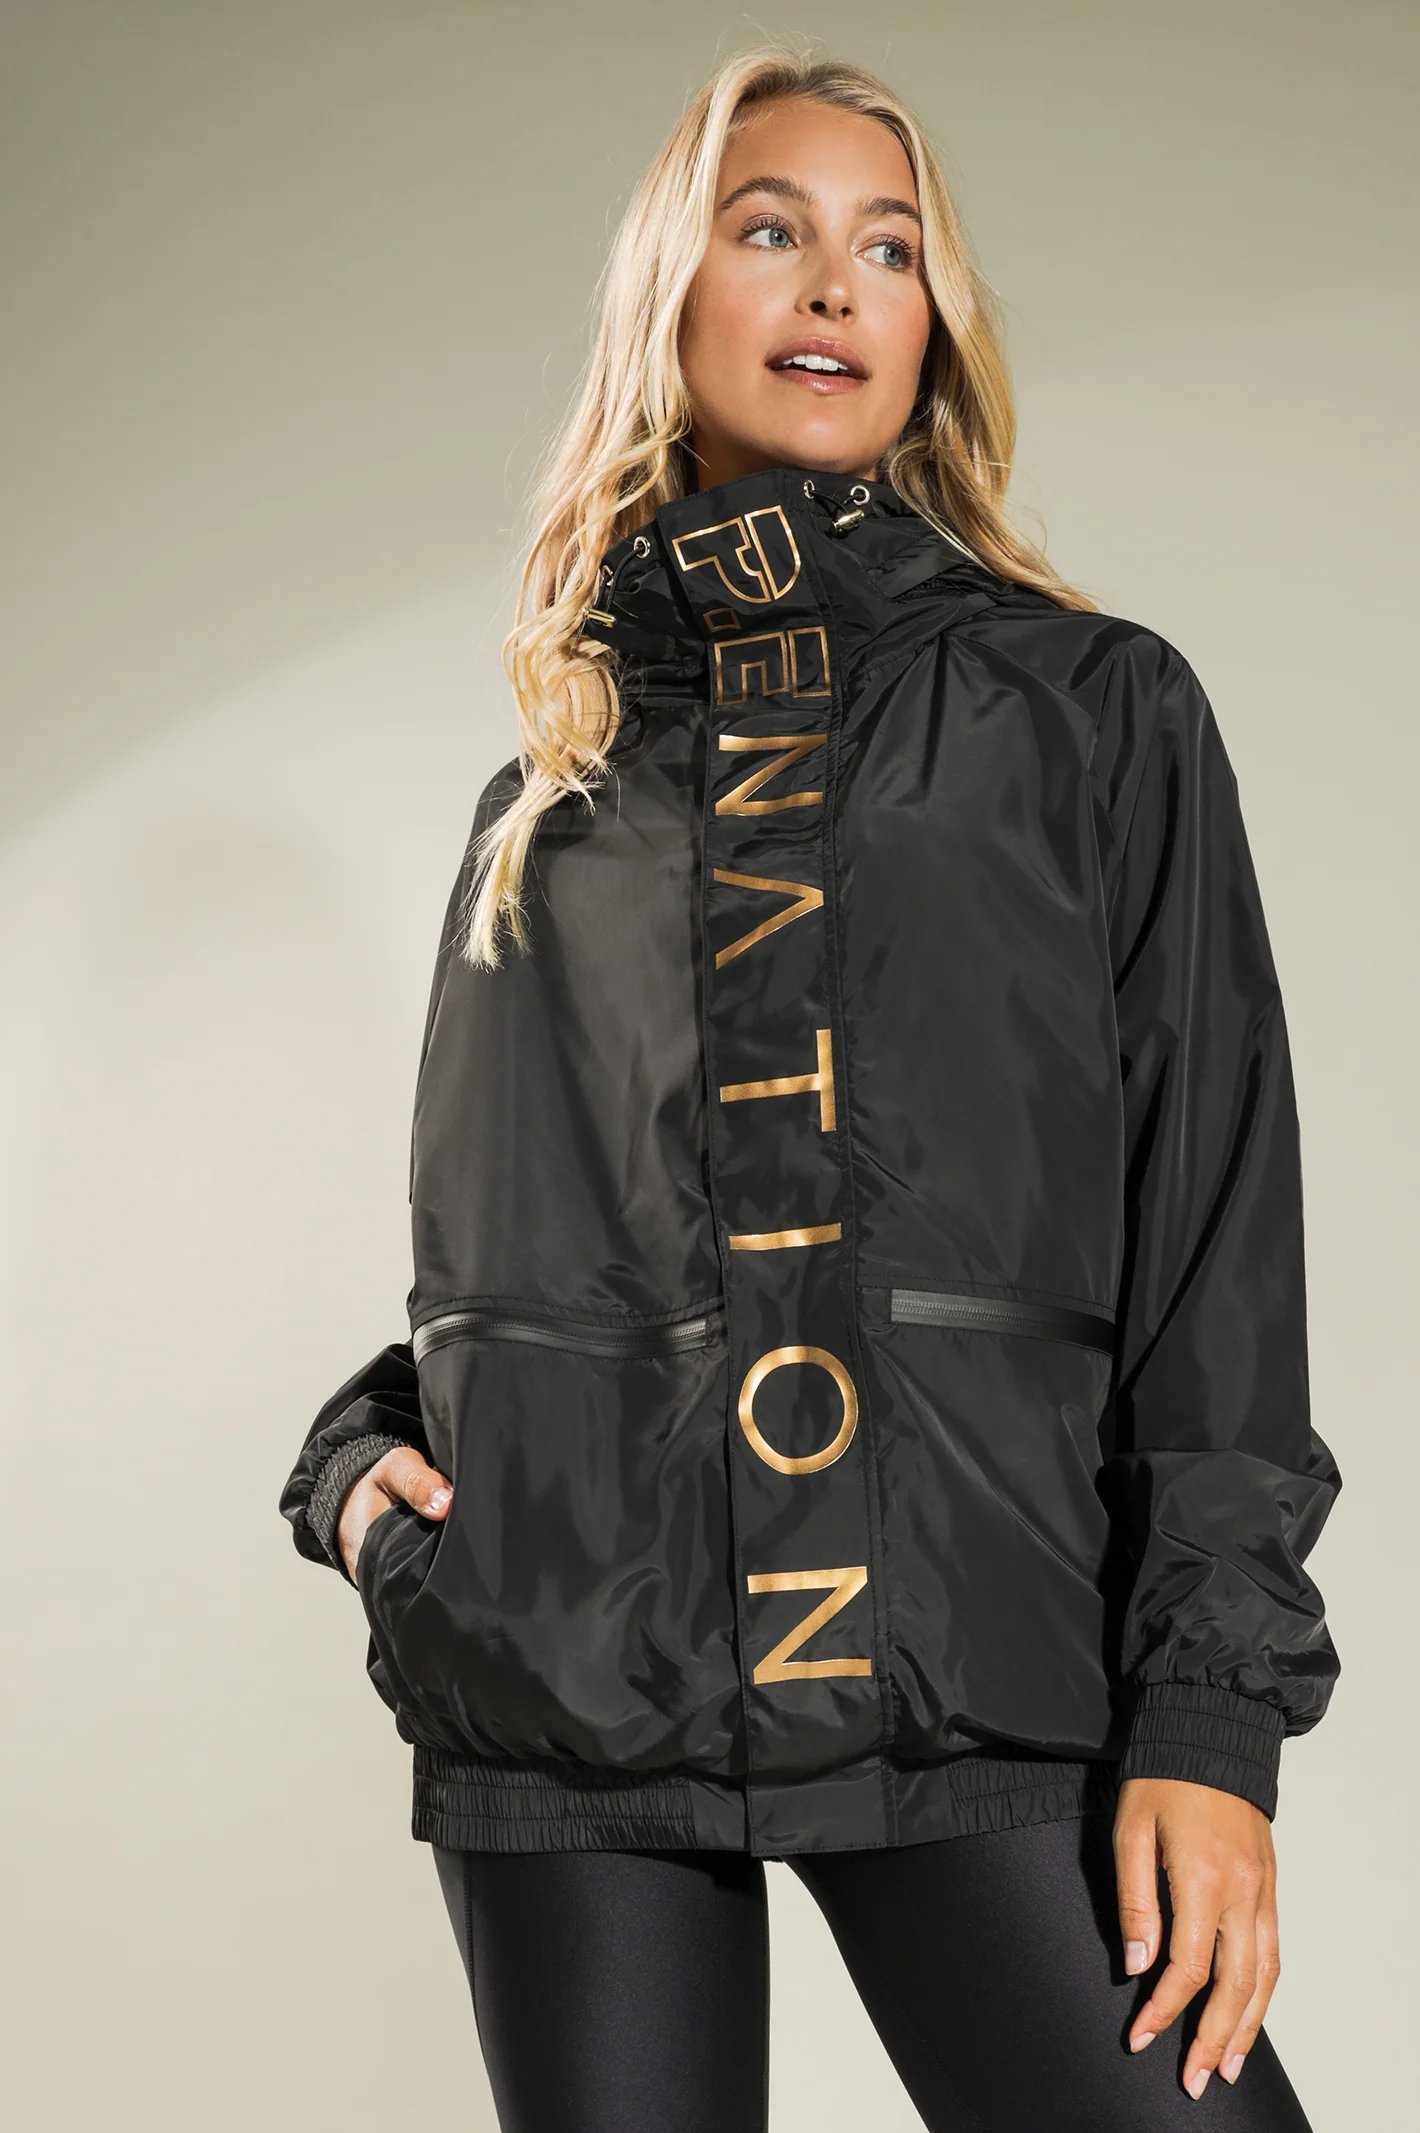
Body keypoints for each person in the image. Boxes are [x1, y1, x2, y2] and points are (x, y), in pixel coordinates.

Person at [278, 43, 1341, 2132]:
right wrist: (357, 1477)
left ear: (933, 323)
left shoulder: (1091, 713)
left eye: (890, 246)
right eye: (770, 229)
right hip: (574, 1714)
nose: (836, 283)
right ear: (671, 293)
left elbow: (1216, 1237)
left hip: (978, 1674)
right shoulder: (548, 806)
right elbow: (529, 1281)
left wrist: (1209, 1719)